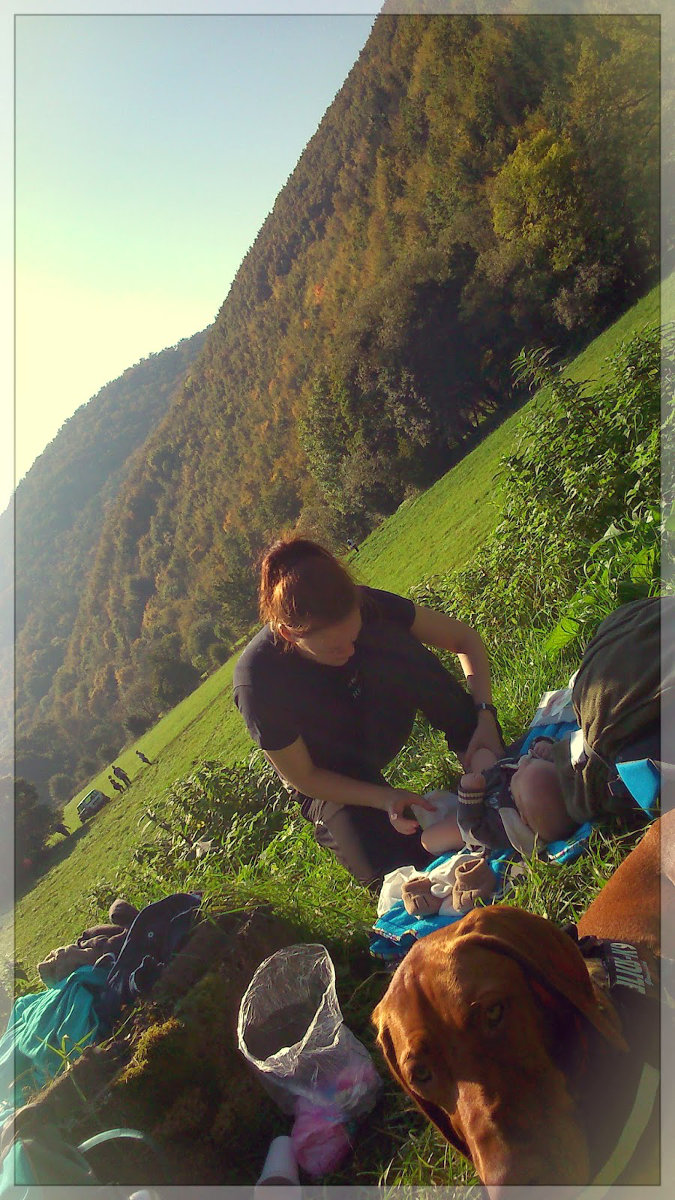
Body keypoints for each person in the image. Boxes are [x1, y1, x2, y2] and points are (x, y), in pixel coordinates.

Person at [233, 537, 504, 889]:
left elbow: (464, 639)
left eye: (354, 635)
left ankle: (477, 753)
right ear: (289, 634)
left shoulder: (367, 605)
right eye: (334, 647)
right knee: (397, 873)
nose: (349, 650)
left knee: (396, 643)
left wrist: (484, 714)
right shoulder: (258, 680)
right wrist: (385, 798)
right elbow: (306, 778)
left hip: (377, 722)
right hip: (331, 772)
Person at [421, 736, 576, 859]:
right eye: (530, 763)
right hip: (490, 779)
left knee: (428, 839)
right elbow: (545, 752)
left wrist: (469, 793)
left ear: (521, 816)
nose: (522, 765)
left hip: (473, 812)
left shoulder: (502, 827)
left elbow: (472, 828)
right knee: (481, 754)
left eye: (518, 775)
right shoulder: (537, 776)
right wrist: (545, 745)